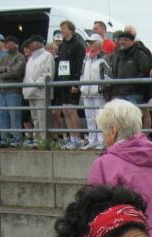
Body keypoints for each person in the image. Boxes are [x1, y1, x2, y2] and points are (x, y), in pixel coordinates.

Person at [87, 99, 152, 237]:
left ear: (113, 130)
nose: (103, 137)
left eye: (103, 131)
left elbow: (93, 216)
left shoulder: (105, 165)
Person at [55, 20, 86, 149]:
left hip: (72, 81)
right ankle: (71, 138)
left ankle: (78, 138)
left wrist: (76, 83)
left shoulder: (78, 45)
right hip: (62, 81)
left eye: (64, 28)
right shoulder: (61, 46)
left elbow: (79, 65)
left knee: (72, 110)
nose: (62, 31)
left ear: (71, 30)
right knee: (65, 111)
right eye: (61, 28)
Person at [0, 35, 26, 148]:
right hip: (2, 91)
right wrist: (5, 69)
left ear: (15, 44)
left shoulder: (20, 57)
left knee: (14, 115)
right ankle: (4, 139)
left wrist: (1, 75)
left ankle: (17, 139)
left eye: (8, 43)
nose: (6, 45)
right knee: (3, 115)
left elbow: (16, 72)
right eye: (5, 43)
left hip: (14, 91)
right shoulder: (4, 57)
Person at [21, 35, 54, 148]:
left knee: (42, 117)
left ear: (37, 43)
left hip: (41, 92)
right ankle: (37, 139)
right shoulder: (30, 59)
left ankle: (44, 141)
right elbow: (27, 76)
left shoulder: (47, 56)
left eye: (31, 43)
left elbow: (48, 74)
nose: (29, 45)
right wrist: (26, 88)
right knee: (35, 118)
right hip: (31, 93)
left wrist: (35, 85)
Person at [80, 34, 109, 150]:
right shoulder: (86, 58)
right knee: (89, 117)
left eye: (92, 43)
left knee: (100, 117)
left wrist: (102, 87)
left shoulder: (104, 58)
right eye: (89, 43)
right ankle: (92, 141)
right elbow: (82, 73)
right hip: (86, 92)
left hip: (98, 93)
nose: (90, 45)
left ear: (99, 44)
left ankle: (102, 141)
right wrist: (81, 85)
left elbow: (107, 74)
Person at [111, 31, 152, 106]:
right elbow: (114, 72)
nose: (122, 42)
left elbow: (145, 72)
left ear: (132, 42)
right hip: (119, 93)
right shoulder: (118, 55)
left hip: (134, 94)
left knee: (132, 113)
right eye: (120, 40)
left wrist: (134, 84)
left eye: (125, 40)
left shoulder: (140, 54)